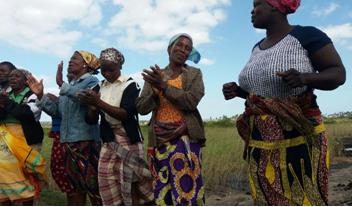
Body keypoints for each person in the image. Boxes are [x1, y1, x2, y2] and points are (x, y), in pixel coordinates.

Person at [222, 0, 346, 205]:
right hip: (260, 141)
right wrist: (240, 92)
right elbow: (266, 95)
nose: (252, 11)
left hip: (299, 138)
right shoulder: (256, 48)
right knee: (266, 196)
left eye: (257, 4)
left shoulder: (306, 35)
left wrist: (305, 78)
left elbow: (338, 73)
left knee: (301, 196)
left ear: (275, 5)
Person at [136, 33, 205, 205]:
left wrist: (164, 86)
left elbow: (191, 101)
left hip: (185, 140)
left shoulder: (194, 74)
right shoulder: (156, 75)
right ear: (169, 48)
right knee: (162, 192)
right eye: (179, 45)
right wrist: (153, 93)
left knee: (187, 191)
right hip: (159, 142)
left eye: (188, 48)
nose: (183, 50)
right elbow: (141, 108)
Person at [78, 47, 154, 205]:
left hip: (128, 139)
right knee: (109, 180)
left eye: (111, 69)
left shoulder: (130, 85)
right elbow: (91, 120)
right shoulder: (98, 87)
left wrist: (98, 102)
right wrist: (91, 107)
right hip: (109, 139)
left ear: (120, 66)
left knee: (132, 182)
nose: (107, 73)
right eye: (103, 70)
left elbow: (125, 114)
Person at [26, 51, 102, 205]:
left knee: (94, 188)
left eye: (75, 58)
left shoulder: (91, 81)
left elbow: (84, 97)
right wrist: (41, 96)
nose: (70, 61)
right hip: (68, 143)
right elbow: (57, 111)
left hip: (85, 143)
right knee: (74, 188)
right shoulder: (71, 85)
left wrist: (62, 84)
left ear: (86, 64)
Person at [0, 68, 47, 205]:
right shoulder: (6, 95)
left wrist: (6, 103)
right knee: (6, 177)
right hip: (6, 142)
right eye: (10, 76)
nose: (12, 78)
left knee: (28, 176)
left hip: (27, 141)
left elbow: (27, 114)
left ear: (26, 80)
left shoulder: (32, 95)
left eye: (16, 76)